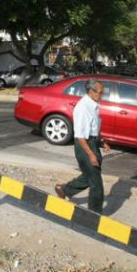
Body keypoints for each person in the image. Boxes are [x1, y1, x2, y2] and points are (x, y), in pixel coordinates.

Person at [55, 79, 111, 213]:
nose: (102, 95)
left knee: (89, 177)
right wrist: (91, 154)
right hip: (84, 146)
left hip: (92, 143)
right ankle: (94, 214)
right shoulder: (83, 108)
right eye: (100, 92)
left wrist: (102, 141)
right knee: (96, 183)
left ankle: (64, 190)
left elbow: (94, 128)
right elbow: (80, 136)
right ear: (91, 91)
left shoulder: (93, 105)